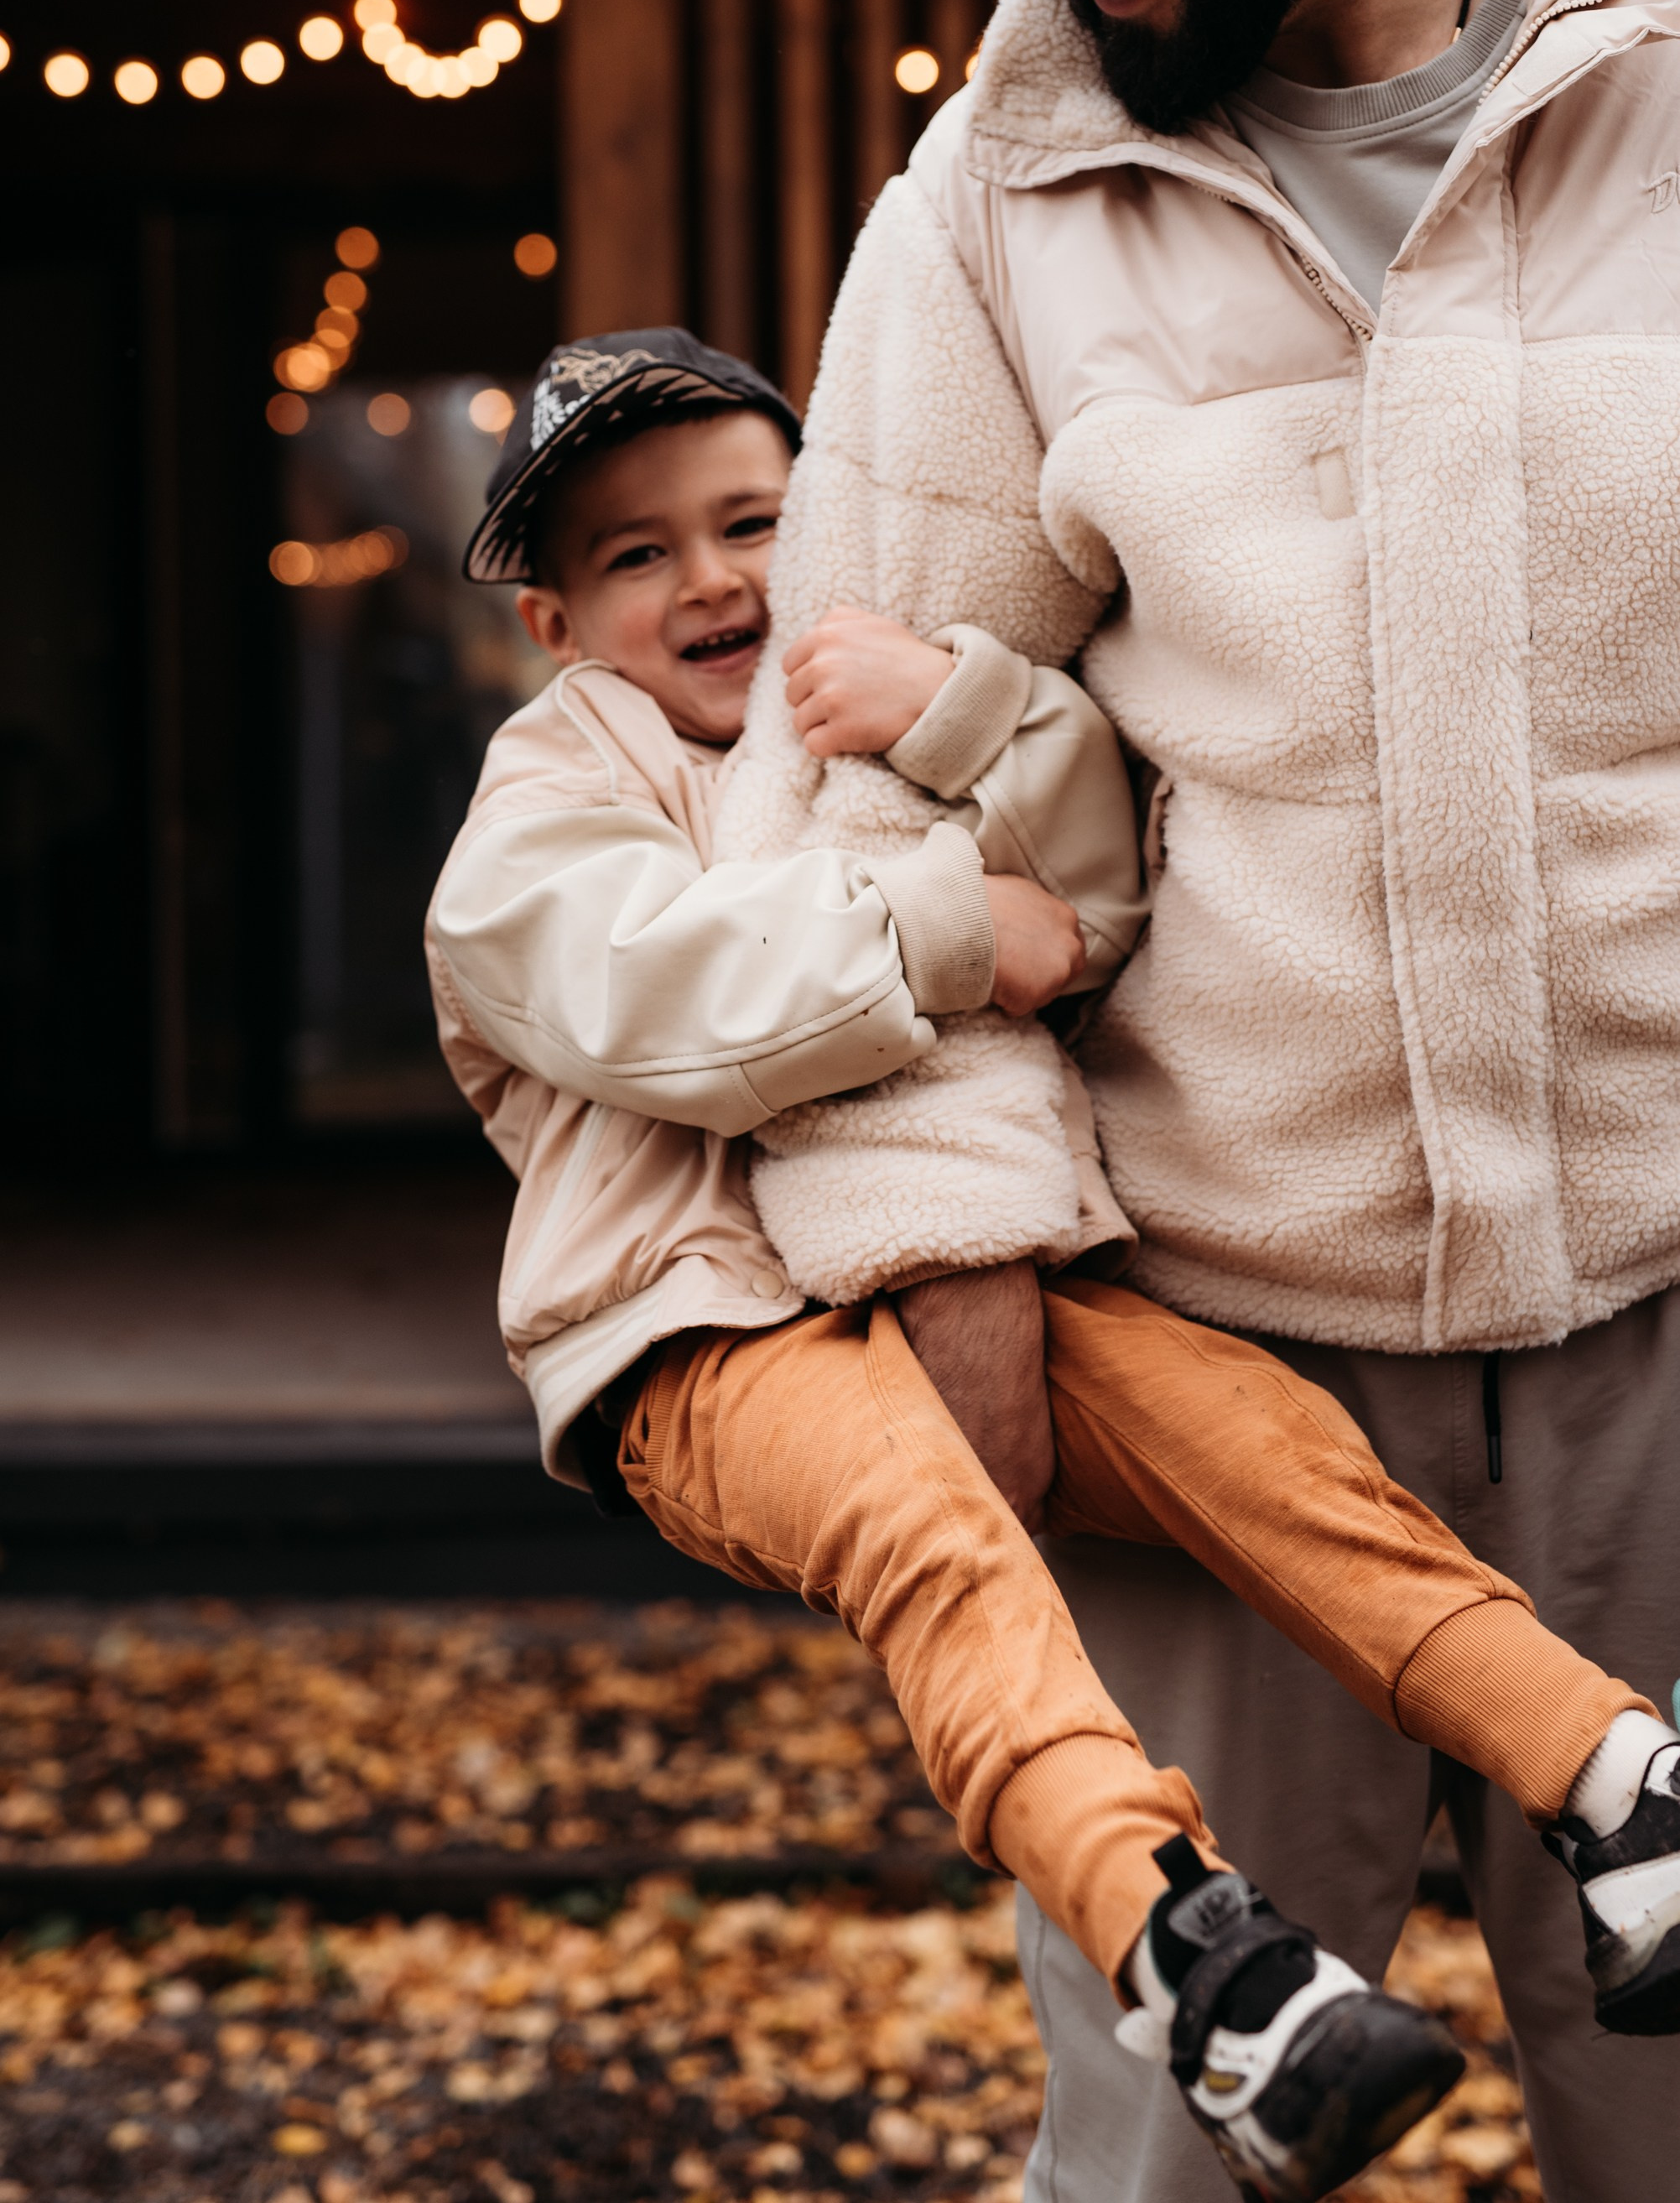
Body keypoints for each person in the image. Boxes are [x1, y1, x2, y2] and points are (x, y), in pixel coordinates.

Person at [706, 0, 1680, 2196]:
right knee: (1179, 2143)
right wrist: (949, 1243)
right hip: (1220, 1365)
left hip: (1674, 1347)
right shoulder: (995, 200)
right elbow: (845, 776)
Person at [429, 330, 1679, 2203]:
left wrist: (954, 715)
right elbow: (669, 997)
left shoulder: (857, 717)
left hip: (982, 1252)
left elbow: (1094, 885)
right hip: (698, 1325)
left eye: (754, 519)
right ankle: (1189, 1949)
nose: (714, 579)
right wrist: (947, 920)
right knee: (933, 1539)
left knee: (1251, 1433)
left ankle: (1619, 1777)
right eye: (636, 554)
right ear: (553, 622)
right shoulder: (541, 809)